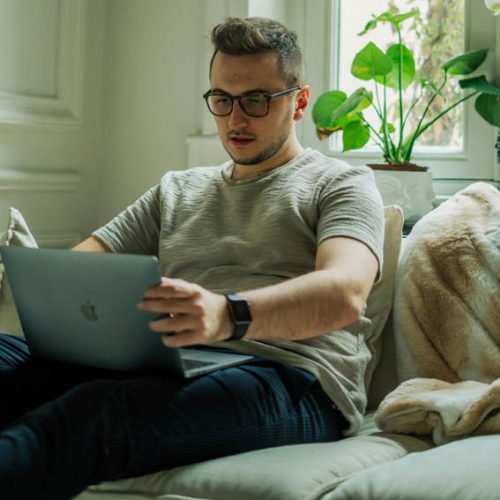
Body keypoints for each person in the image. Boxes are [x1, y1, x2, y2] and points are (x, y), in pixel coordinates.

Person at [0, 16, 384, 500]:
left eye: (256, 101)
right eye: (222, 100)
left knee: (97, 414)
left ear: (300, 102)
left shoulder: (342, 184)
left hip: (293, 380)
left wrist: (228, 315)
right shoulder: (178, 189)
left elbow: (345, 293)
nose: (235, 119)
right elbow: (79, 270)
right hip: (173, 364)